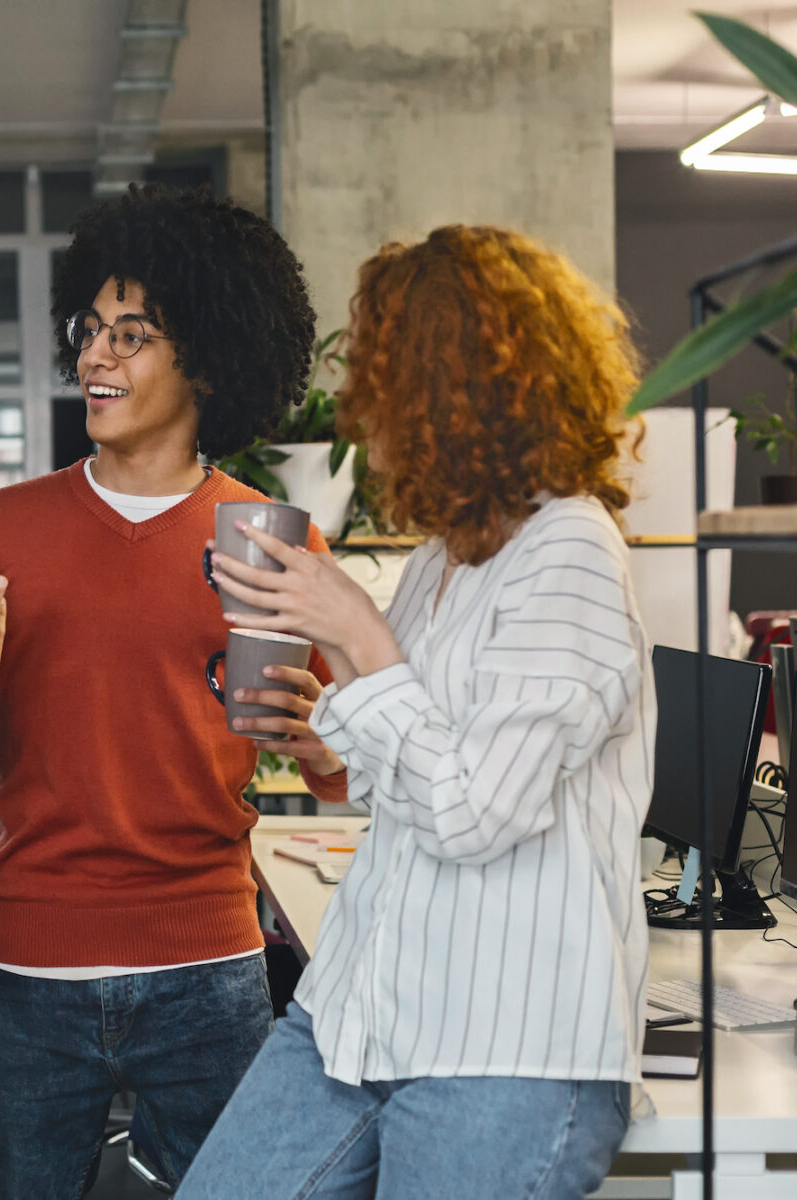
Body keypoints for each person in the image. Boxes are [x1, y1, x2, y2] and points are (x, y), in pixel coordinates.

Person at [179, 225, 653, 1199]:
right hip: (361, 1013)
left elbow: (476, 811)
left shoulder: (570, 556)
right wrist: (323, 721)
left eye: (389, 380)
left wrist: (356, 625)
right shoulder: (446, 558)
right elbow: (414, 769)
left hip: (504, 1050)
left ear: (458, 391)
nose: (367, 412)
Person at [0, 183, 350, 1199]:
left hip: (212, 969)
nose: (94, 358)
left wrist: (320, 745)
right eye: (90, 332)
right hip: (32, 975)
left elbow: (346, 767)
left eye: (131, 336)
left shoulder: (275, 543)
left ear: (207, 358)